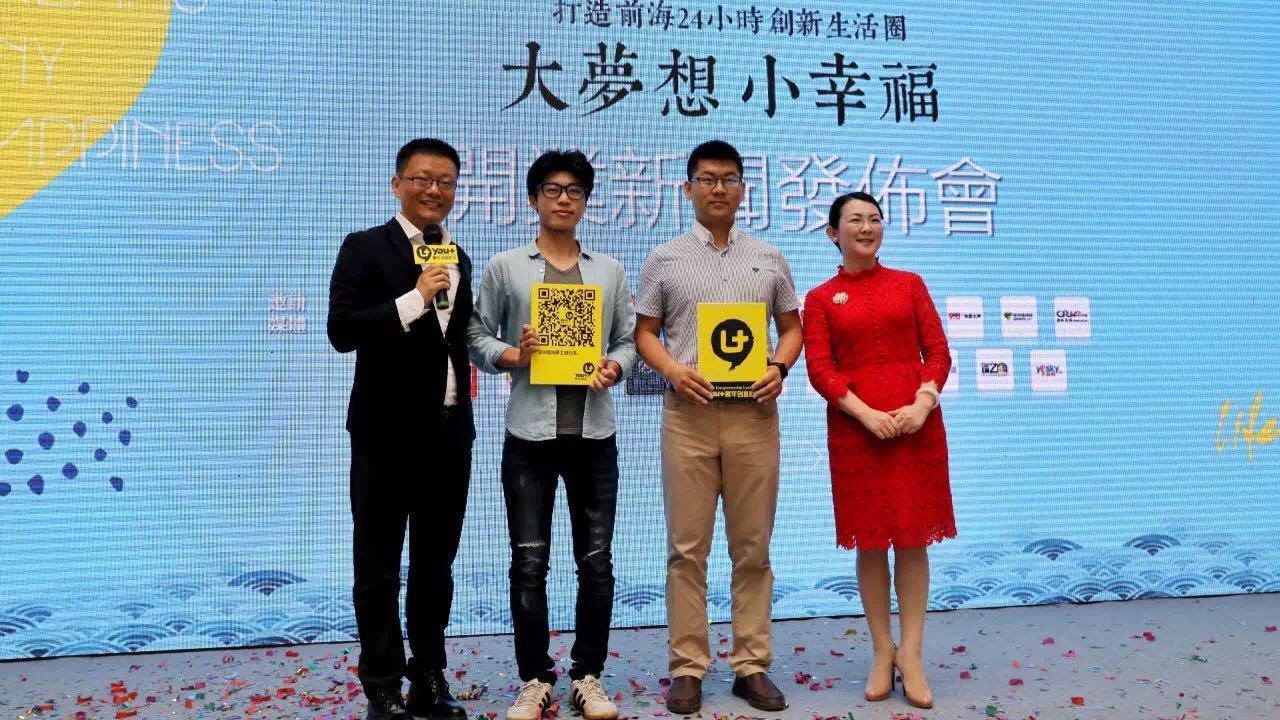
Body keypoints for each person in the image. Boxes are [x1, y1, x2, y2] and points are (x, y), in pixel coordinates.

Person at [634, 140, 802, 714]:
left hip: (754, 416)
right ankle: (687, 667)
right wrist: (673, 371)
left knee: (753, 547)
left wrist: (780, 367)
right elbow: (645, 333)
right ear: (687, 188)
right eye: (707, 179)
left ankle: (751, 665)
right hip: (689, 417)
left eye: (729, 178)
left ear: (743, 188)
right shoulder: (665, 259)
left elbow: (792, 329)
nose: (719, 188)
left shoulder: (769, 257)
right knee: (687, 549)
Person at [467, 150, 636, 720]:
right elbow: (475, 332)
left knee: (597, 563)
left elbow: (628, 340)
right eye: (552, 189)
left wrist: (615, 366)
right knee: (528, 563)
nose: (564, 198)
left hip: (594, 435)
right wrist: (515, 355)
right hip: (529, 438)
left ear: (586, 201)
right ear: (533, 198)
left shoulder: (608, 270)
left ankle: (588, 676)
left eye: (574, 190)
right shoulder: (506, 267)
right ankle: (535, 678)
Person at [327, 138, 472, 720]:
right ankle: (383, 686)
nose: (434, 190)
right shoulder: (365, 247)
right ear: (397, 184)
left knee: (436, 563)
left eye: (446, 182)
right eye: (422, 179)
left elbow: (456, 340)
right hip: (385, 434)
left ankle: (428, 677)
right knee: (379, 563)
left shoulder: (457, 255)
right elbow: (341, 330)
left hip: (448, 434)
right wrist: (413, 299)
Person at [802, 191, 956, 710]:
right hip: (856, 431)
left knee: (912, 539)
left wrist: (922, 403)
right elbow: (820, 369)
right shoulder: (820, 299)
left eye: (874, 219)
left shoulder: (910, 283)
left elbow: (938, 351)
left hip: (916, 426)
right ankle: (881, 650)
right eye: (854, 220)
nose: (866, 227)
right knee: (870, 543)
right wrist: (865, 414)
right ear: (833, 233)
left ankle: (911, 653)